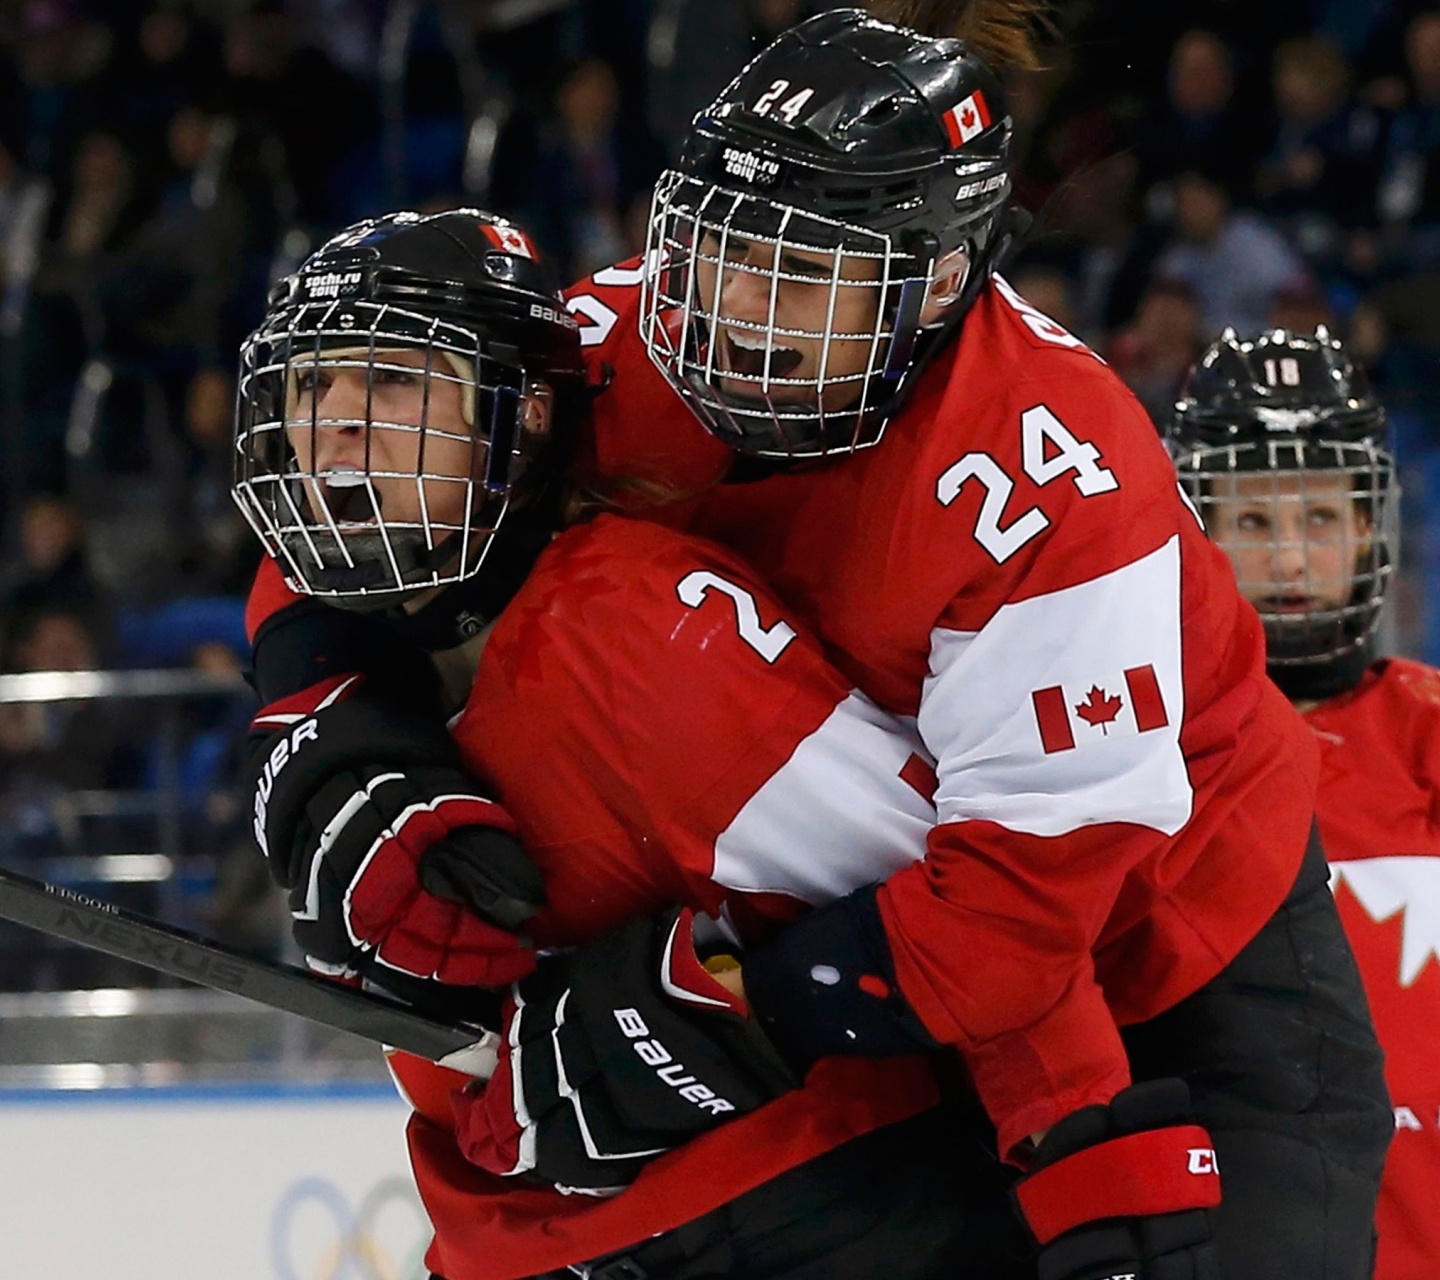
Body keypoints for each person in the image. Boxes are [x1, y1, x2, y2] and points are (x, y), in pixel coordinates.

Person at [244, 8, 1391, 1280]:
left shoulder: (1054, 481)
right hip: (923, 946)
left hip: (1181, 945)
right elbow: (393, 469)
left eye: (794, 269)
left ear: (937, 284)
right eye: (717, 248)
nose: (726, 307)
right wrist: (332, 722)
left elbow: (1012, 916)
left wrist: (710, 1010)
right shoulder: (636, 339)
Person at [236, 207, 1034, 1280]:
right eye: (309, 384)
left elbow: (973, 925)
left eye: (392, 382)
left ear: (515, 419)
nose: (333, 422)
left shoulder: (640, 632)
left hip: (816, 1214)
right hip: (534, 1242)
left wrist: (727, 1012)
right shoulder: (343, 716)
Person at [1167, 326, 1439, 1280]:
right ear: (1193, 529)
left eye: (1320, 518)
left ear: (1370, 529)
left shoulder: (1429, 731)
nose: (1288, 558)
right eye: (1251, 522)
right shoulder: (1136, 753)